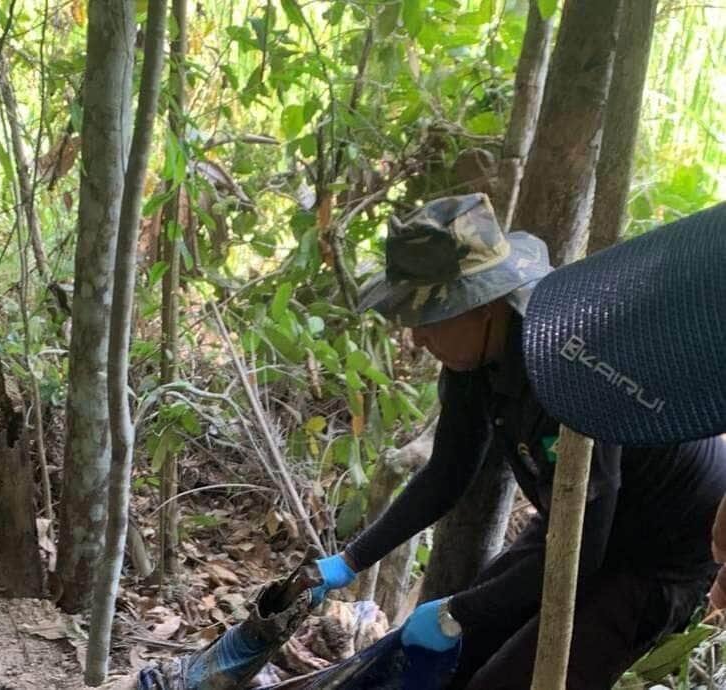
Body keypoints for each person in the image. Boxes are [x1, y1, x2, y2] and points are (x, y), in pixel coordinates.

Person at [310, 194, 726, 690]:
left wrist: (460, 611)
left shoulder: (568, 365)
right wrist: (351, 559)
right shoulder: (472, 360)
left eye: (428, 319)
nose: (418, 340)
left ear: (482, 306)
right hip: (578, 521)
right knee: (454, 655)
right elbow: (448, 473)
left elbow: (584, 555)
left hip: (658, 557)